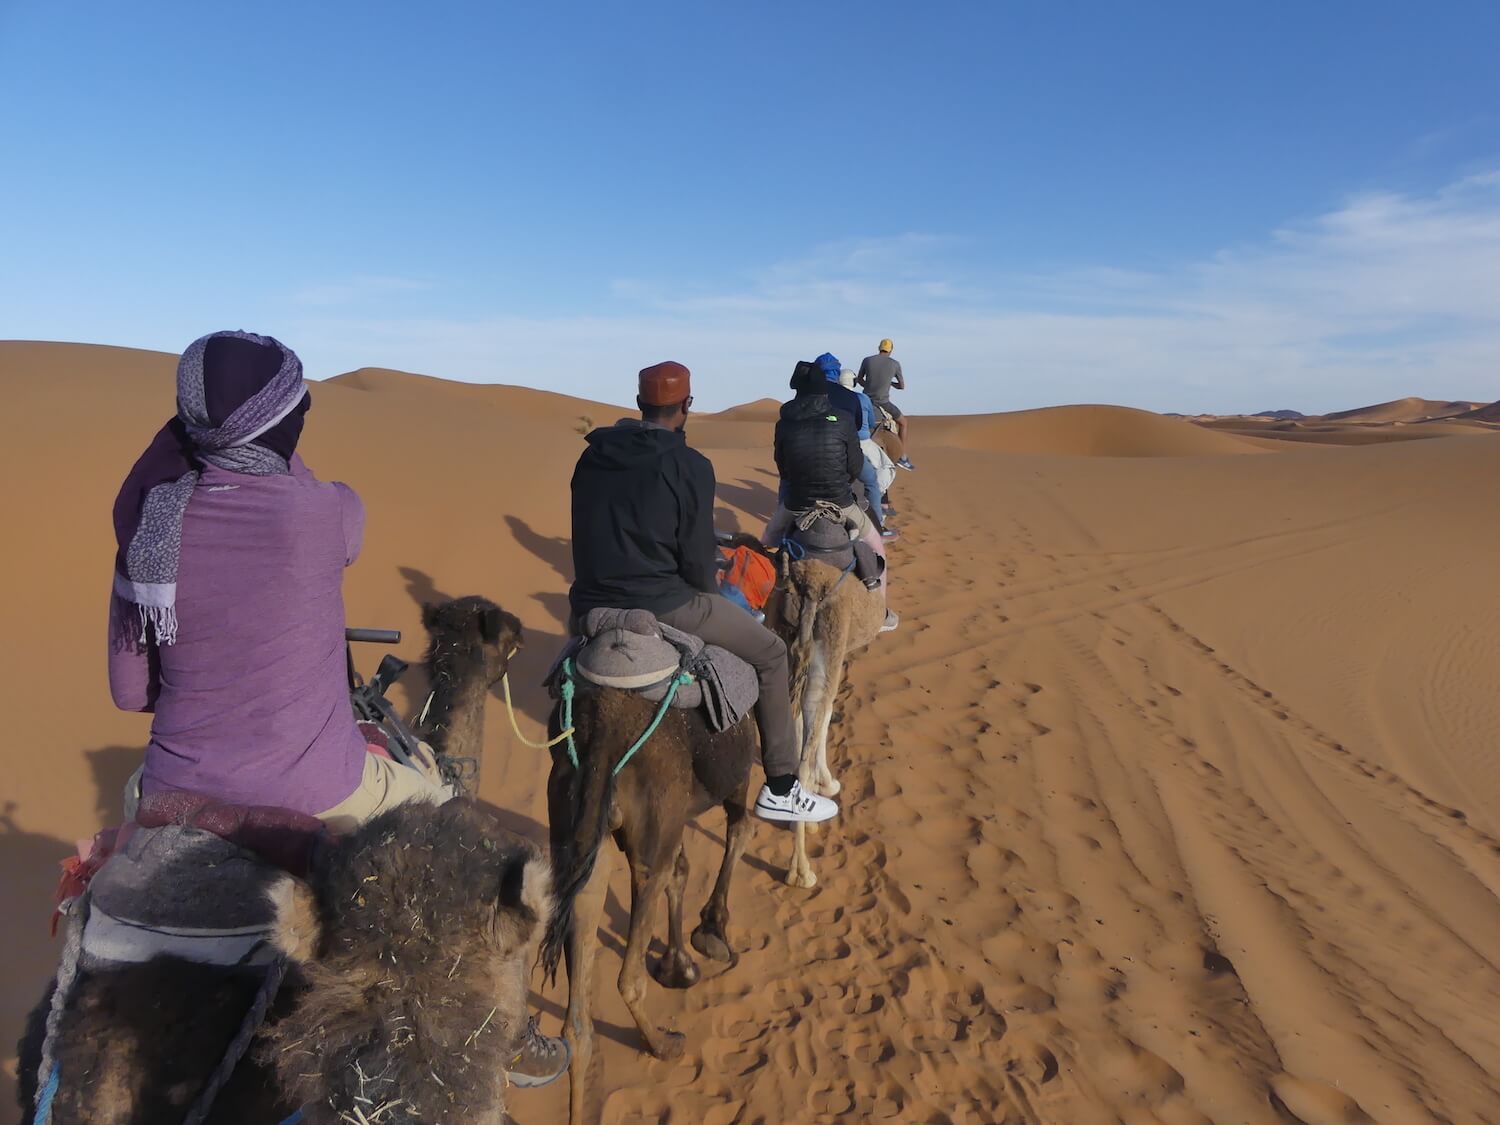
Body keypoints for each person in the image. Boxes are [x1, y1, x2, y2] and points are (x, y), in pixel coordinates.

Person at [109, 330, 569, 1087]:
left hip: (170, 788)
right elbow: (334, 508)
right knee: (448, 811)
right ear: (282, 428)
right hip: (318, 786)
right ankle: (502, 1034)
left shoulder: (149, 532)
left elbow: (131, 692)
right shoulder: (320, 512)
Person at [568, 361, 839, 823]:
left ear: (638, 404)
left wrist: (718, 539)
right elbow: (695, 568)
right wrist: (711, 591)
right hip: (666, 603)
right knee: (772, 653)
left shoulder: (593, 456)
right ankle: (781, 785)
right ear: (686, 407)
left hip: (590, 604)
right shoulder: (690, 465)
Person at [763, 361, 899, 632]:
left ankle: (763, 599)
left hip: (797, 504)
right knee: (877, 547)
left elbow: (783, 467)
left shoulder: (784, 424)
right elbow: (853, 466)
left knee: (767, 541)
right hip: (841, 503)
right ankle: (881, 612)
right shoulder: (844, 419)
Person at [857, 338, 913, 469]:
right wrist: (890, 383)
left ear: (879, 348)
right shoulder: (895, 364)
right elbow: (902, 386)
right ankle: (902, 456)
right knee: (903, 423)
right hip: (884, 403)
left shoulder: (867, 360)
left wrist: (869, 384)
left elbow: (860, 380)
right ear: (891, 350)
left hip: (865, 401)